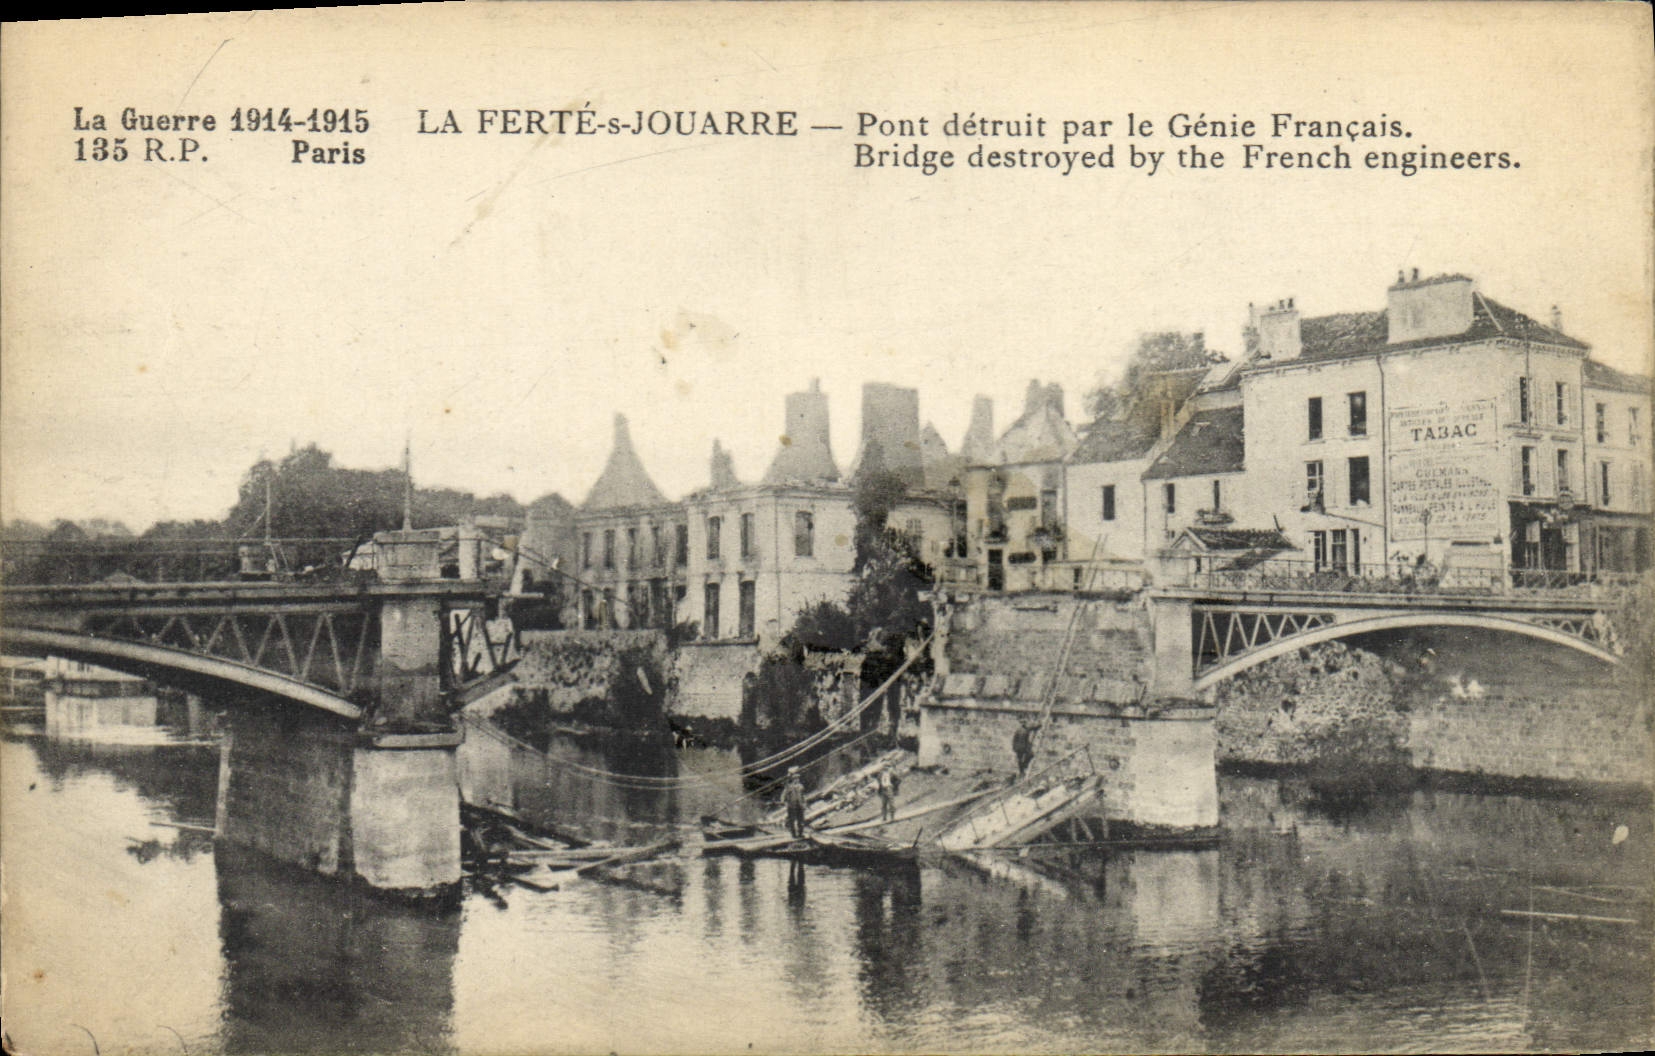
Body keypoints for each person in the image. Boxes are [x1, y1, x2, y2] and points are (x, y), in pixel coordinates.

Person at [783, 767, 808, 838]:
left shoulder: (801, 787)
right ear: (792, 780)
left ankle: (800, 834)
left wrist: (804, 804)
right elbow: (783, 797)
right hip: (791, 806)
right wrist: (786, 804)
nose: (797, 780)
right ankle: (793, 835)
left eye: (798, 778)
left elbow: (803, 796)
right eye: (795, 779)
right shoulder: (788, 787)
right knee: (792, 821)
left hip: (799, 805)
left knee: (801, 820)